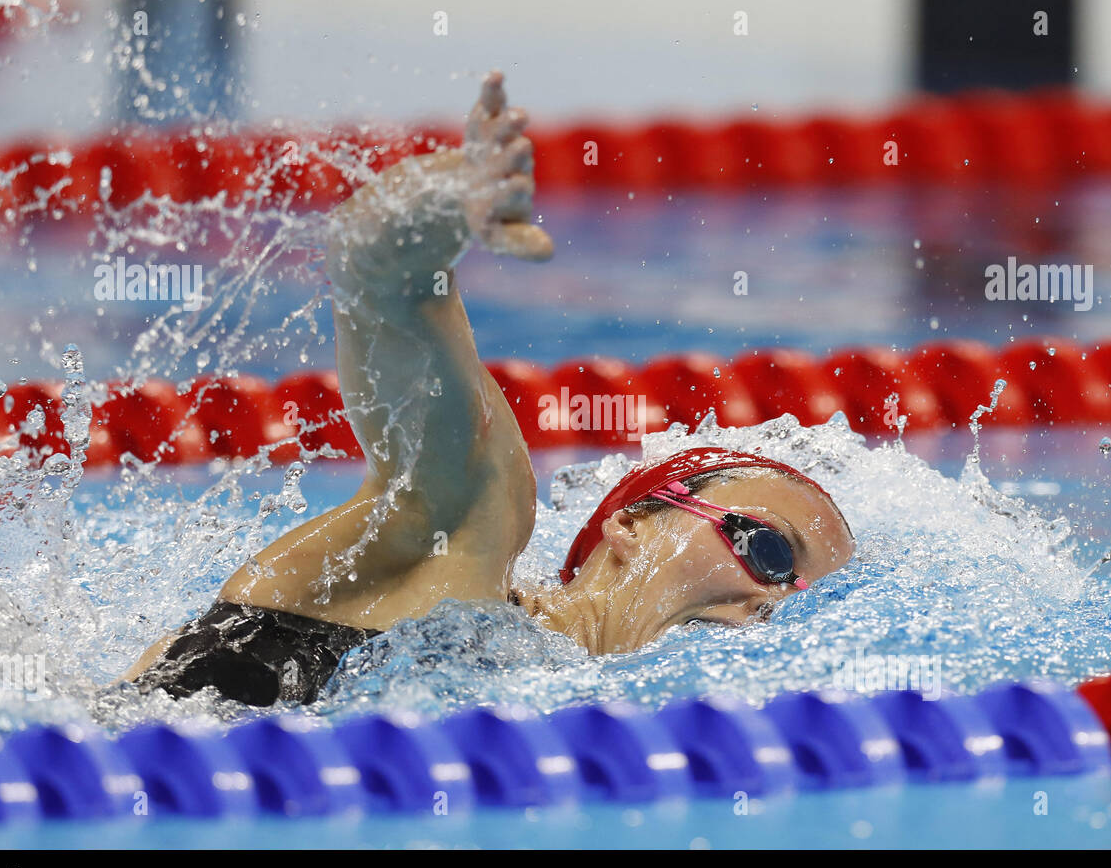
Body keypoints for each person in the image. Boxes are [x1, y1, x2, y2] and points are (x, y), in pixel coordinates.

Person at [124, 71, 854, 706]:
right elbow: (379, 273)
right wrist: (443, 207)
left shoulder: (576, 705)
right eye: (770, 553)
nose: (775, 607)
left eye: (811, 604)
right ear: (630, 528)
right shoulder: (468, 542)